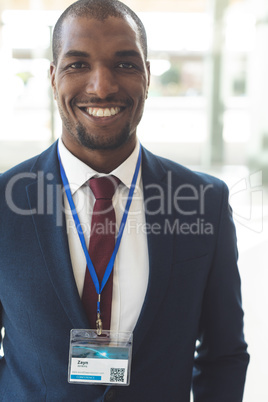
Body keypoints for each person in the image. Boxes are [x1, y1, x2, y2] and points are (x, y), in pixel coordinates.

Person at [0, 0, 249, 401]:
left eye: (125, 64)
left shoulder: (205, 202)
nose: (102, 86)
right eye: (77, 64)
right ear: (52, 77)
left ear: (148, 76)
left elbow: (224, 354)